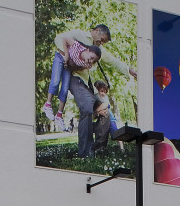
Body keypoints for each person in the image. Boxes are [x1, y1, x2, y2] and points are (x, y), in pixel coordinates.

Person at [41, 25, 136, 158]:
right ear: (97, 31)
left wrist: (130, 71)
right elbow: (59, 38)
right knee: (86, 107)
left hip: (87, 84)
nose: (101, 43)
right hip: (75, 79)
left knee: (105, 111)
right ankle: (85, 152)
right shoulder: (79, 35)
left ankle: (98, 148)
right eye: (101, 39)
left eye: (103, 42)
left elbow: (113, 61)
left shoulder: (98, 49)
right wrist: (67, 57)